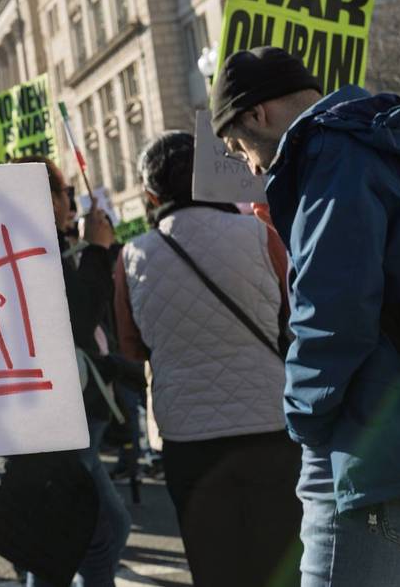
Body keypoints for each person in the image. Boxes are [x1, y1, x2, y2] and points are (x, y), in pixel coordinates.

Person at [212, 46, 400, 585]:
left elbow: (332, 315)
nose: (249, 165)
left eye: (237, 147)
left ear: (258, 114)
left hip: (366, 448)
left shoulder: (331, 154)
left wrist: (303, 420)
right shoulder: (378, 139)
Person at [112, 131, 301, 586]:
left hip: (189, 437)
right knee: (283, 562)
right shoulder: (260, 233)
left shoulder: (131, 257)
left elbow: (131, 348)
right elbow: (293, 316)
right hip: (270, 426)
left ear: (151, 193)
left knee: (216, 567)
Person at [14, 157, 131, 587]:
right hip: (55, 415)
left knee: (67, 538)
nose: (70, 201)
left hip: (52, 414)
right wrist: (98, 250)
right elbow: (77, 320)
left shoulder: (32, 245)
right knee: (97, 535)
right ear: (44, 197)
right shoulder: (32, 249)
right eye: (64, 192)